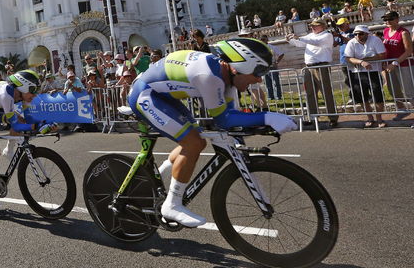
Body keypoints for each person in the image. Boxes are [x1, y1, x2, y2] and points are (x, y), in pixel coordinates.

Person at [128, 38, 296, 227]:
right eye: (258, 73)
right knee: (193, 143)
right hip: (145, 95)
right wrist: (267, 117)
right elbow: (224, 119)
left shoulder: (226, 76)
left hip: (164, 96)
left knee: (196, 138)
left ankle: (162, 174)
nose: (259, 80)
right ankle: (172, 205)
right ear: (239, 67)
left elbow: (230, 117)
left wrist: (262, 121)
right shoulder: (210, 76)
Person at [0, 70, 53, 207]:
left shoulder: (18, 94)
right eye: (32, 90)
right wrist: (37, 126)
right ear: (23, 87)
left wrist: (45, 122)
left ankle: (9, 149)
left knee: (20, 119)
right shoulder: (6, 95)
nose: (35, 94)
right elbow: (17, 126)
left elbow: (28, 118)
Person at [286, 18, 336, 122]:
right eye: (312, 25)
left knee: (326, 92)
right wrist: (290, 40)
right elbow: (300, 43)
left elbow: (316, 42)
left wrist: (299, 38)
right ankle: (313, 117)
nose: (312, 27)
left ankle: (333, 118)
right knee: (309, 93)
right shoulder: (310, 35)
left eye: (315, 25)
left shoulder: (327, 35)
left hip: (321, 66)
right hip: (308, 67)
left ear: (323, 26)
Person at [344, 25, 387, 128]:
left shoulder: (375, 40)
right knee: (362, 97)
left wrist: (365, 60)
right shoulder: (351, 42)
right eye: (355, 34)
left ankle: (379, 118)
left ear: (367, 33)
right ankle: (370, 118)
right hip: (357, 73)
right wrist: (361, 62)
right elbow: (348, 58)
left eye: (361, 33)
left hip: (374, 71)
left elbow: (382, 55)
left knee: (377, 94)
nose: (358, 36)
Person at [381, 10, 414, 115]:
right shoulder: (385, 31)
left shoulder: (403, 32)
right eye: (385, 19)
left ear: (397, 19)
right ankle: (402, 110)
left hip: (404, 65)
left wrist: (395, 63)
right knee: (393, 90)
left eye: (390, 19)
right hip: (389, 66)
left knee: (409, 91)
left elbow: (409, 51)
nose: (387, 21)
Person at [332, 17, 356, 124]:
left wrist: (339, 35)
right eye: (339, 26)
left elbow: (352, 41)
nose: (340, 27)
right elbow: (334, 44)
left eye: (342, 25)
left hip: (354, 59)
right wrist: (332, 37)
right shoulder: (340, 34)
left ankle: (365, 96)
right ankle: (353, 97)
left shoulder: (353, 32)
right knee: (348, 80)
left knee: (358, 79)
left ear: (347, 24)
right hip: (343, 60)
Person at [261, 35, 284, 102]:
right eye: (261, 39)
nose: (263, 41)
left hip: (272, 67)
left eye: (264, 39)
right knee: (267, 83)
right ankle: (270, 97)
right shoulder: (260, 48)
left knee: (275, 82)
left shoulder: (272, 47)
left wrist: (276, 62)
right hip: (264, 67)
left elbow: (281, 54)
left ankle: (278, 96)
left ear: (267, 40)